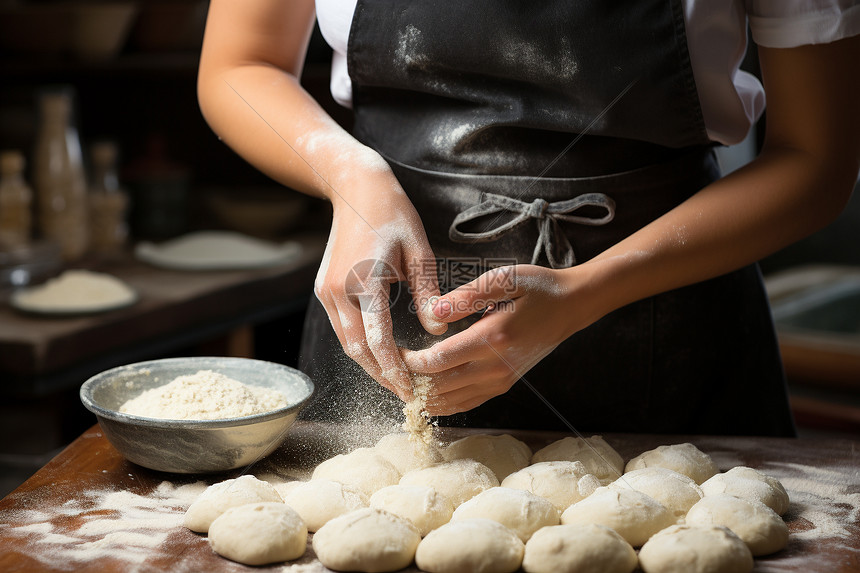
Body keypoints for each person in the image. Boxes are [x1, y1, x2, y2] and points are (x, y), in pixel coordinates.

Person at [198, 0, 859, 436]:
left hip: (669, 327)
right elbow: (238, 64)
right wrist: (349, 175)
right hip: (388, 315)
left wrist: (589, 292)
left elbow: (818, 159)